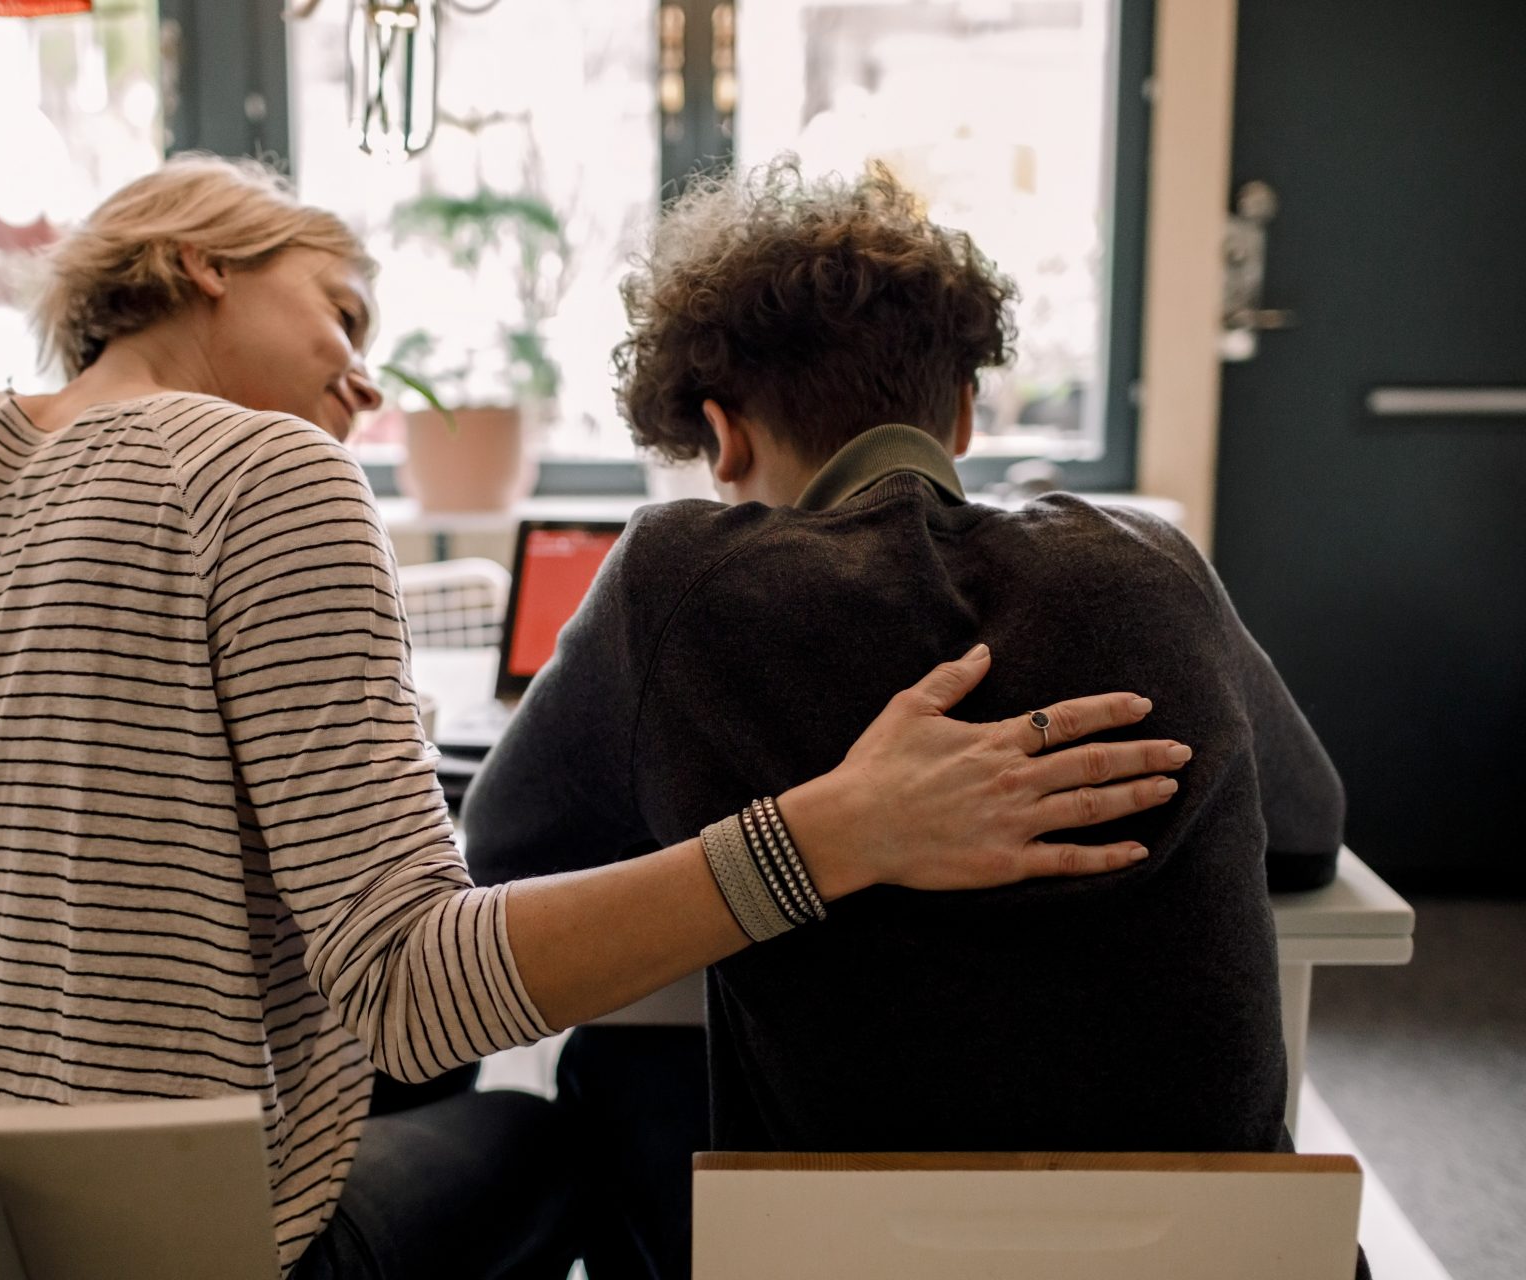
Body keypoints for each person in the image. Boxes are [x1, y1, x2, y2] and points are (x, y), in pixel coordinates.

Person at [0, 155, 1187, 1280]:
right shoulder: (269, 470)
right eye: (344, 316)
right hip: (175, 1248)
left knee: (435, 1101)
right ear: (204, 261)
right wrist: (830, 833)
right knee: (566, 1129)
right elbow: (418, 996)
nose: (365, 384)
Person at [464, 159, 1347, 1279]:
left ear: (723, 437)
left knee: (613, 1071)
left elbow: (501, 852)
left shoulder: (679, 581)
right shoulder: (1146, 560)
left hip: (835, 1261)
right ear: (966, 412)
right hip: (1213, 1265)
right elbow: (1312, 828)